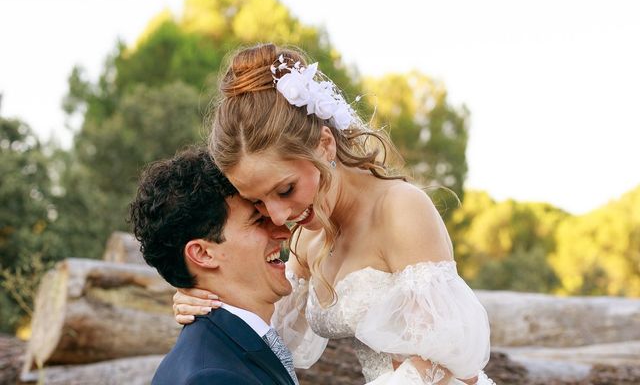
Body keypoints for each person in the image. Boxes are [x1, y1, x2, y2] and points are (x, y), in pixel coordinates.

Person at [174, 44, 495, 384]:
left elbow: (445, 361)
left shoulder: (400, 209)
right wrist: (203, 298)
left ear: (325, 144)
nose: (279, 217)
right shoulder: (307, 237)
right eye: (259, 203)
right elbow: (271, 335)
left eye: (285, 190)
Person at [129, 147, 298, 385]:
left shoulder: (224, 347)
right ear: (203, 254)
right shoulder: (212, 377)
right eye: (259, 220)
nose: (283, 231)